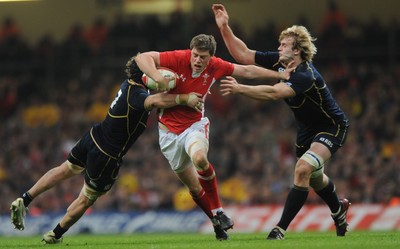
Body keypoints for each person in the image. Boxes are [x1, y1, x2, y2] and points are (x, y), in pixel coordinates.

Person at [10, 55, 203, 244]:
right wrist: (183, 98)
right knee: (86, 199)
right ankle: (55, 235)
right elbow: (153, 102)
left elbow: (154, 97)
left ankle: (25, 199)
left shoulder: (127, 85)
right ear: (144, 77)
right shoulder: (137, 96)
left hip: (93, 136)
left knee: (65, 169)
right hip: (106, 155)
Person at [135, 33, 292, 240]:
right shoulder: (178, 57)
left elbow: (246, 70)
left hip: (194, 126)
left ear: (211, 57)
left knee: (199, 158)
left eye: (203, 57)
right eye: (196, 55)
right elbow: (141, 58)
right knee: (193, 187)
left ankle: (218, 211)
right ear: (190, 52)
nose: (198, 60)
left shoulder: (216, 65)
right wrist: (157, 79)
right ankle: (216, 223)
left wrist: (279, 76)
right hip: (168, 134)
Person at [212, 4, 350, 240]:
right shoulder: (280, 62)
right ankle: (338, 210)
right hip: (307, 130)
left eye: (284, 45)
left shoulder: (306, 74)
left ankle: (279, 229)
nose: (279, 48)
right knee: (315, 177)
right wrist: (224, 27)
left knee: (303, 168)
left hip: (331, 127)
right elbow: (243, 54)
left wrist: (240, 88)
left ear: (297, 51)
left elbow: (274, 93)